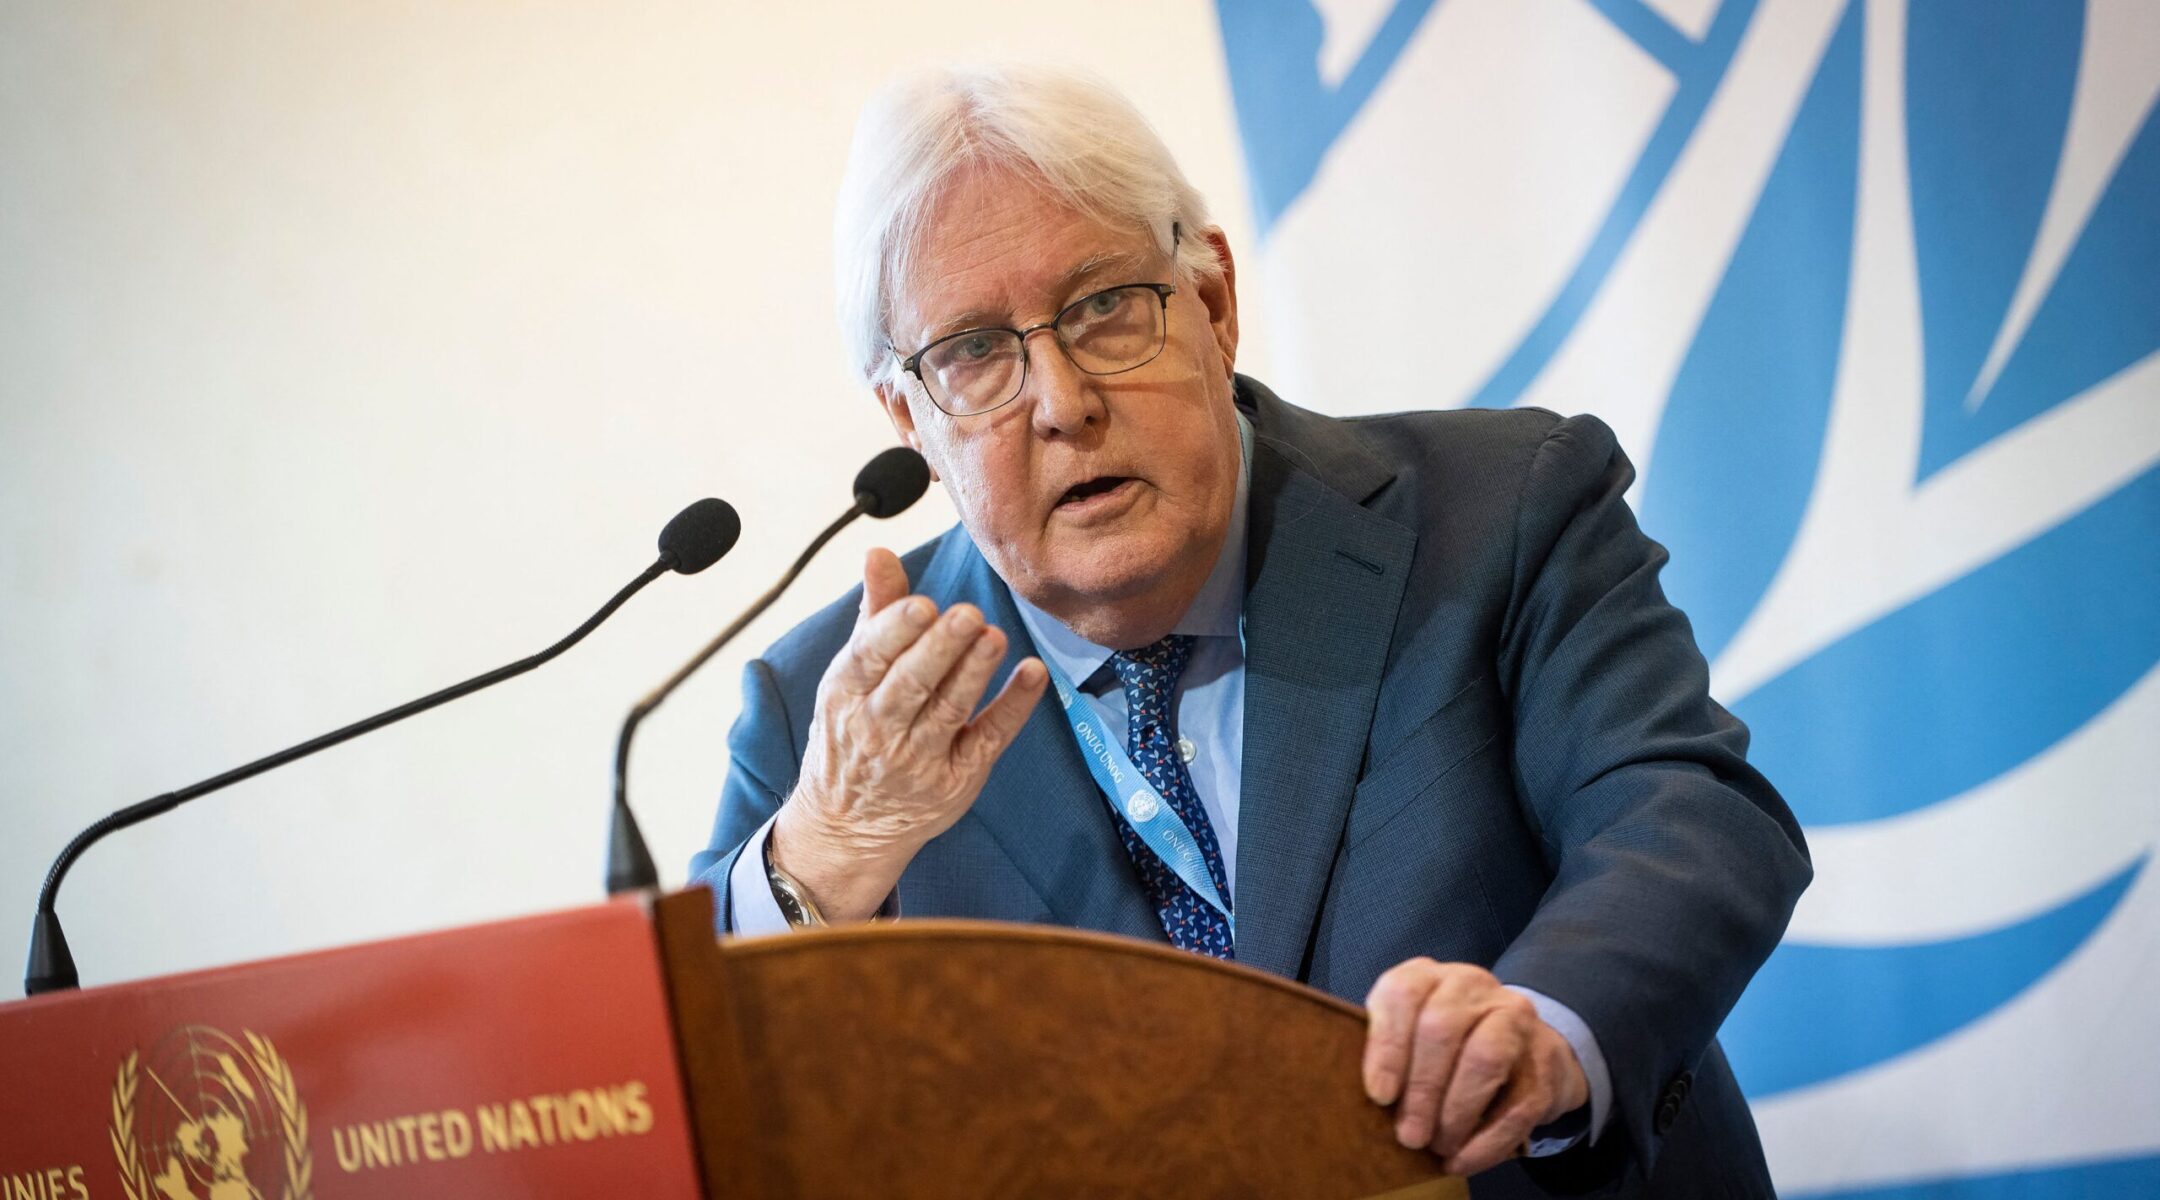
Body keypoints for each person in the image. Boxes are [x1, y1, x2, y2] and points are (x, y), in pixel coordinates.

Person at [689, 65, 1810, 1196]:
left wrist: (1548, 1026)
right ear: (910, 420)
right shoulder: (827, 723)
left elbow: (1687, 812)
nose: (1062, 400)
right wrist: (818, 866)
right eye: (975, 352)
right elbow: (695, 1097)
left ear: (1213, 302)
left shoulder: (1499, 510)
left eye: (1103, 308)